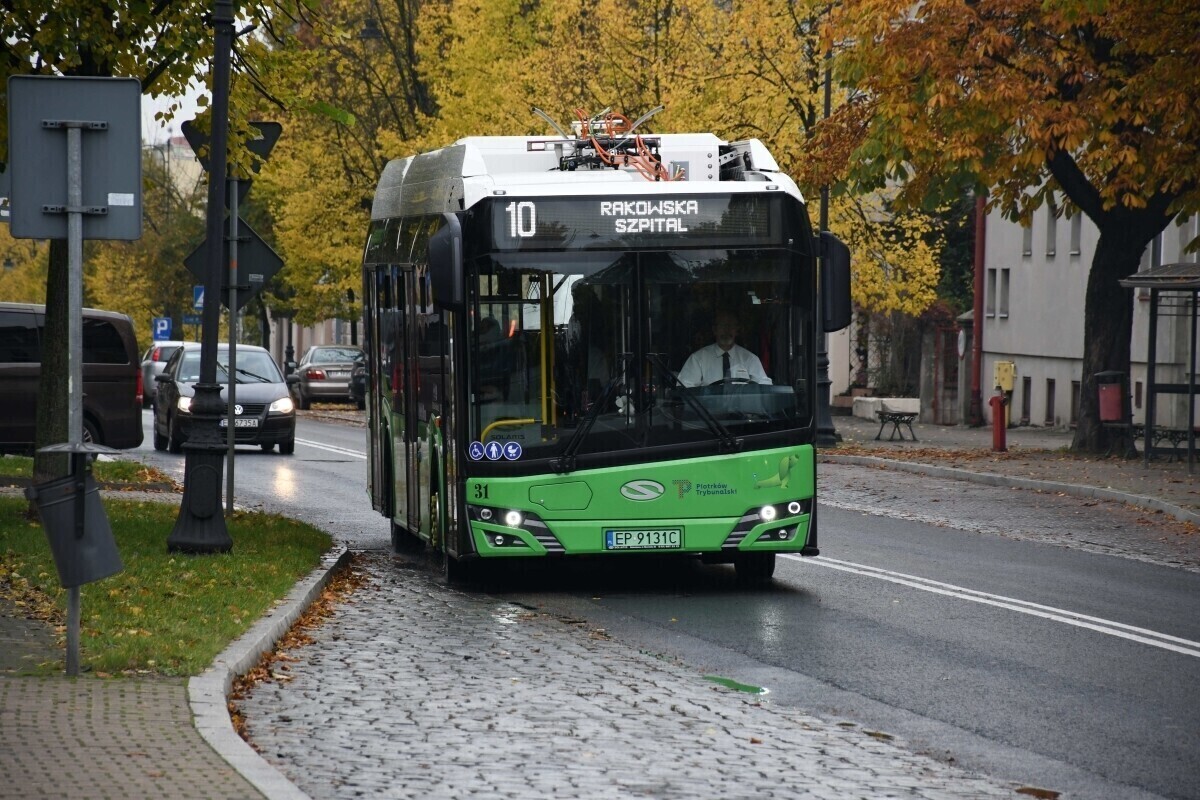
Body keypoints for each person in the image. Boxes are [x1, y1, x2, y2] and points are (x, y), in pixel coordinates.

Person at [677, 310, 770, 387]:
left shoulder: (750, 359)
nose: (726, 330)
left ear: (737, 330)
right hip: (706, 409)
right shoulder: (698, 359)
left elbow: (765, 388)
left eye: (730, 326)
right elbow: (685, 388)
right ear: (714, 330)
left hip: (743, 409)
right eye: (722, 326)